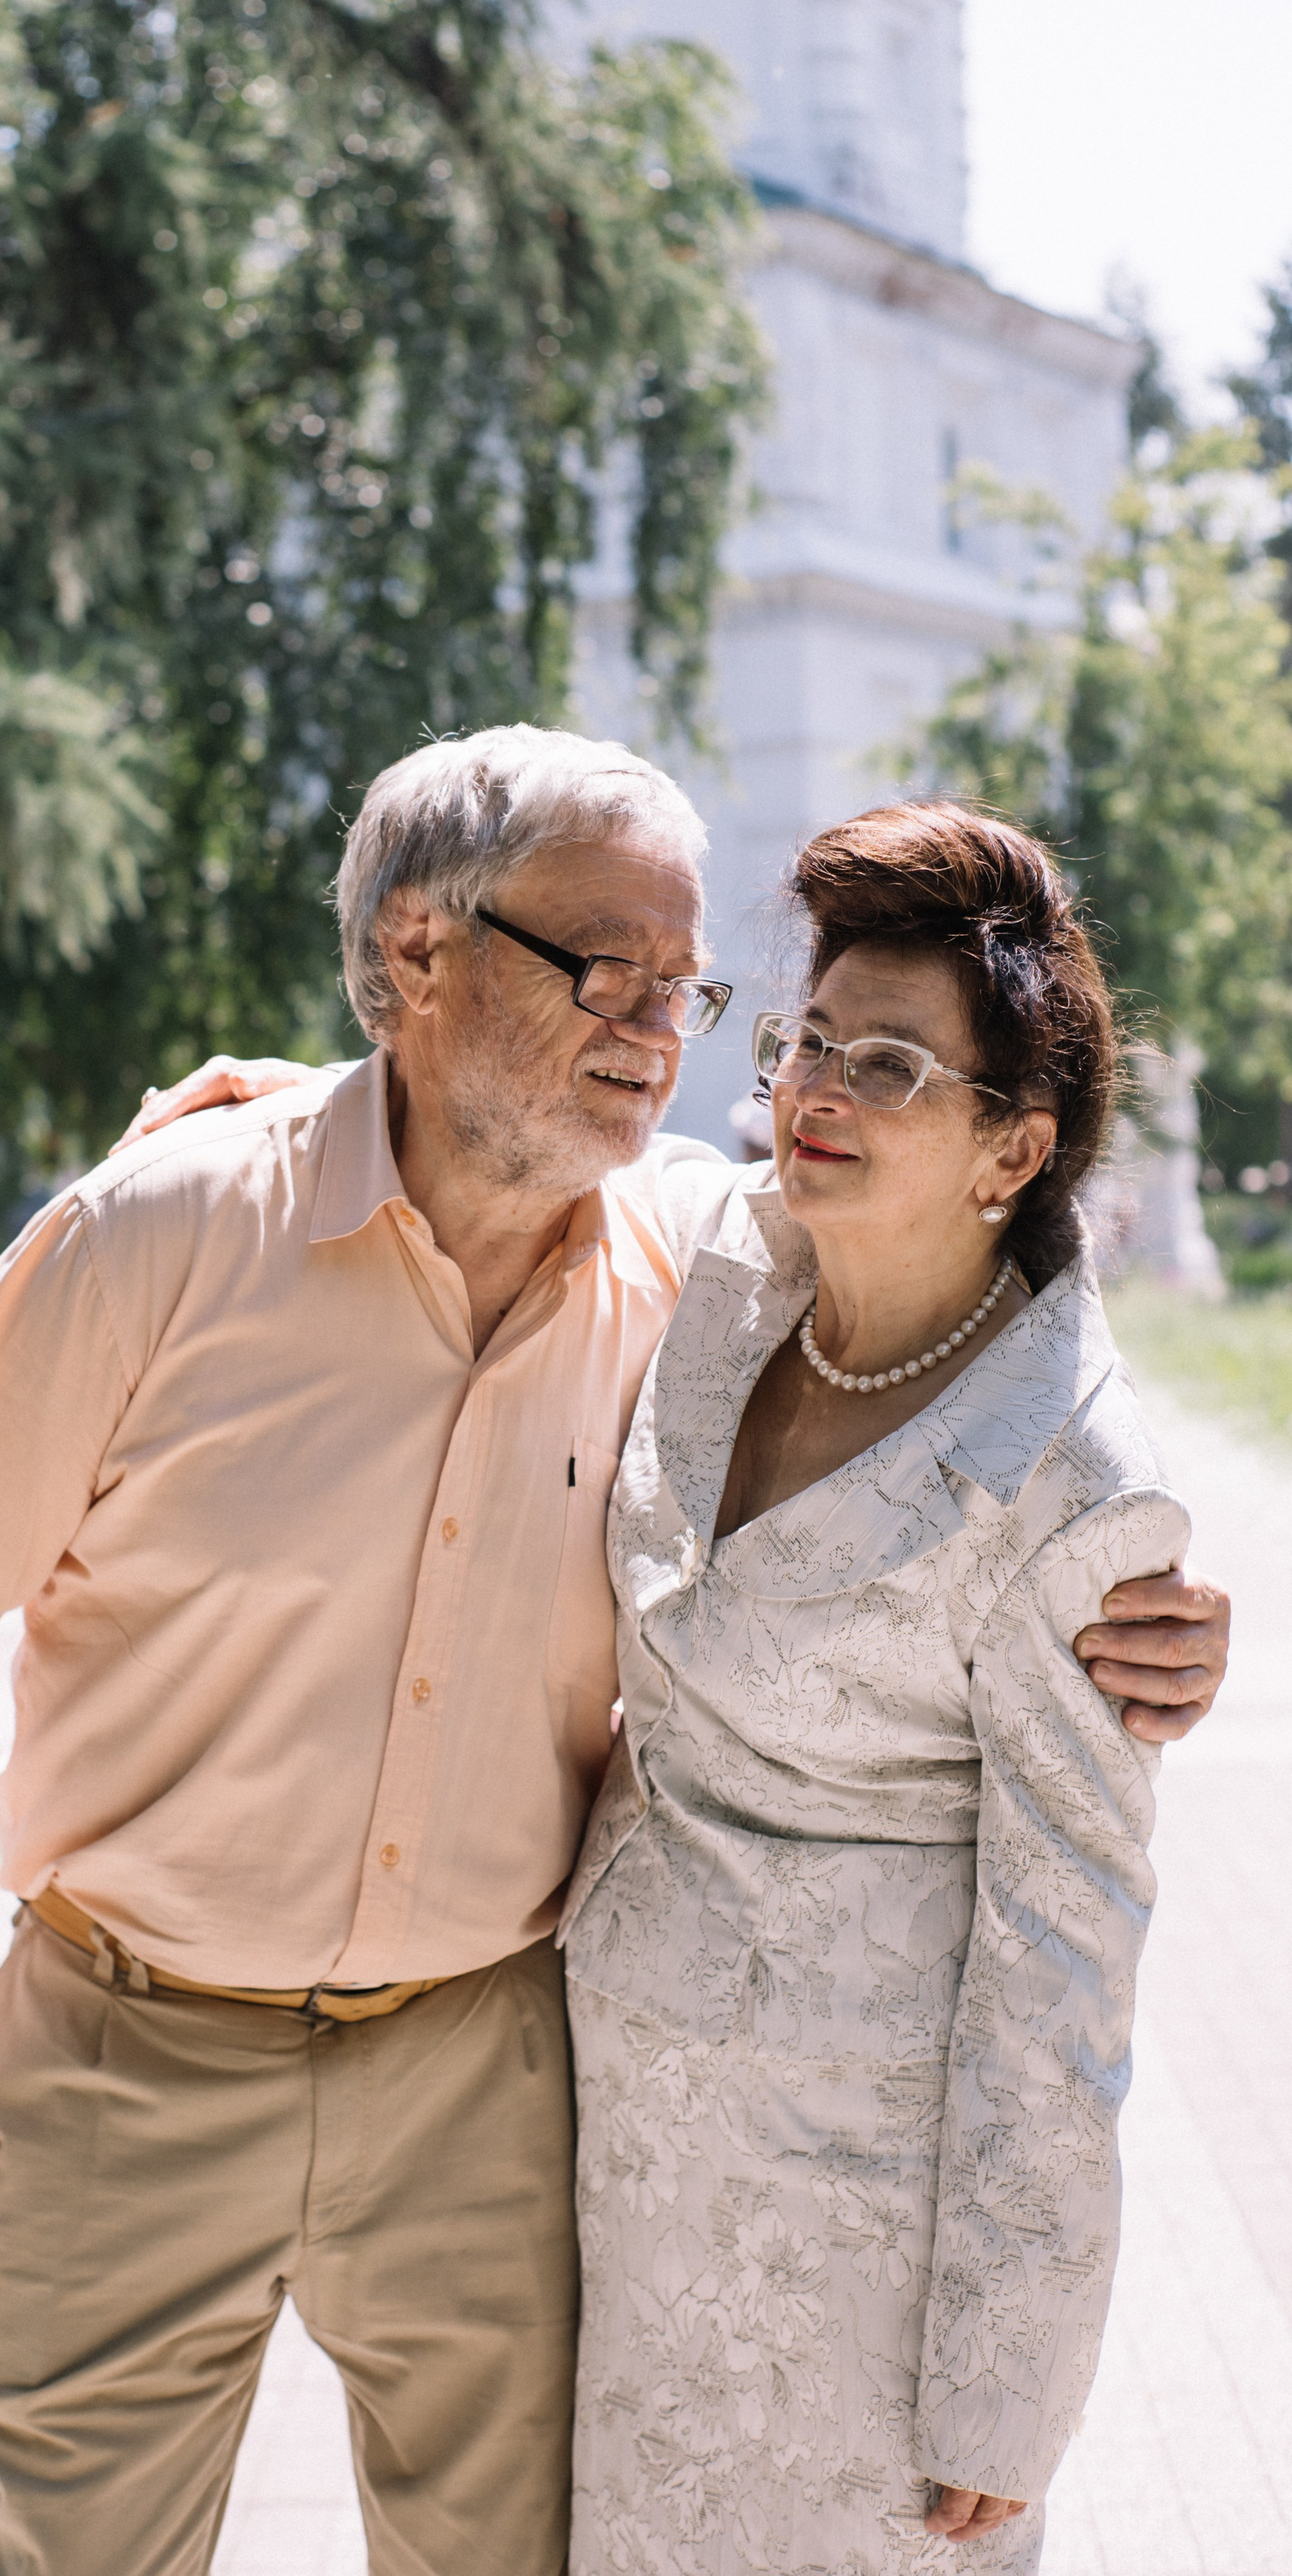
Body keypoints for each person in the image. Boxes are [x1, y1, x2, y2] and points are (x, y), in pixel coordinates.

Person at [0, 730, 1226, 2576]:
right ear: (415, 955)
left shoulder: (686, 1260)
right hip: (125, 2053)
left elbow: (985, 1240)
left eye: (690, 987)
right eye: (605, 971)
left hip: (487, 2074)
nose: (667, 1030)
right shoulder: (164, 1237)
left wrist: (1127, 1554)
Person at [559, 804, 1188, 2573]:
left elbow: (1069, 1967)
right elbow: (506, 1144)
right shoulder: (731, 1272)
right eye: (809, 1039)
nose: (817, 1086)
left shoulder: (1077, 1482)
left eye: (893, 1062)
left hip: (855, 2265)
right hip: (616, 2180)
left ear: (1015, 1150)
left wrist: (1010, 2375)